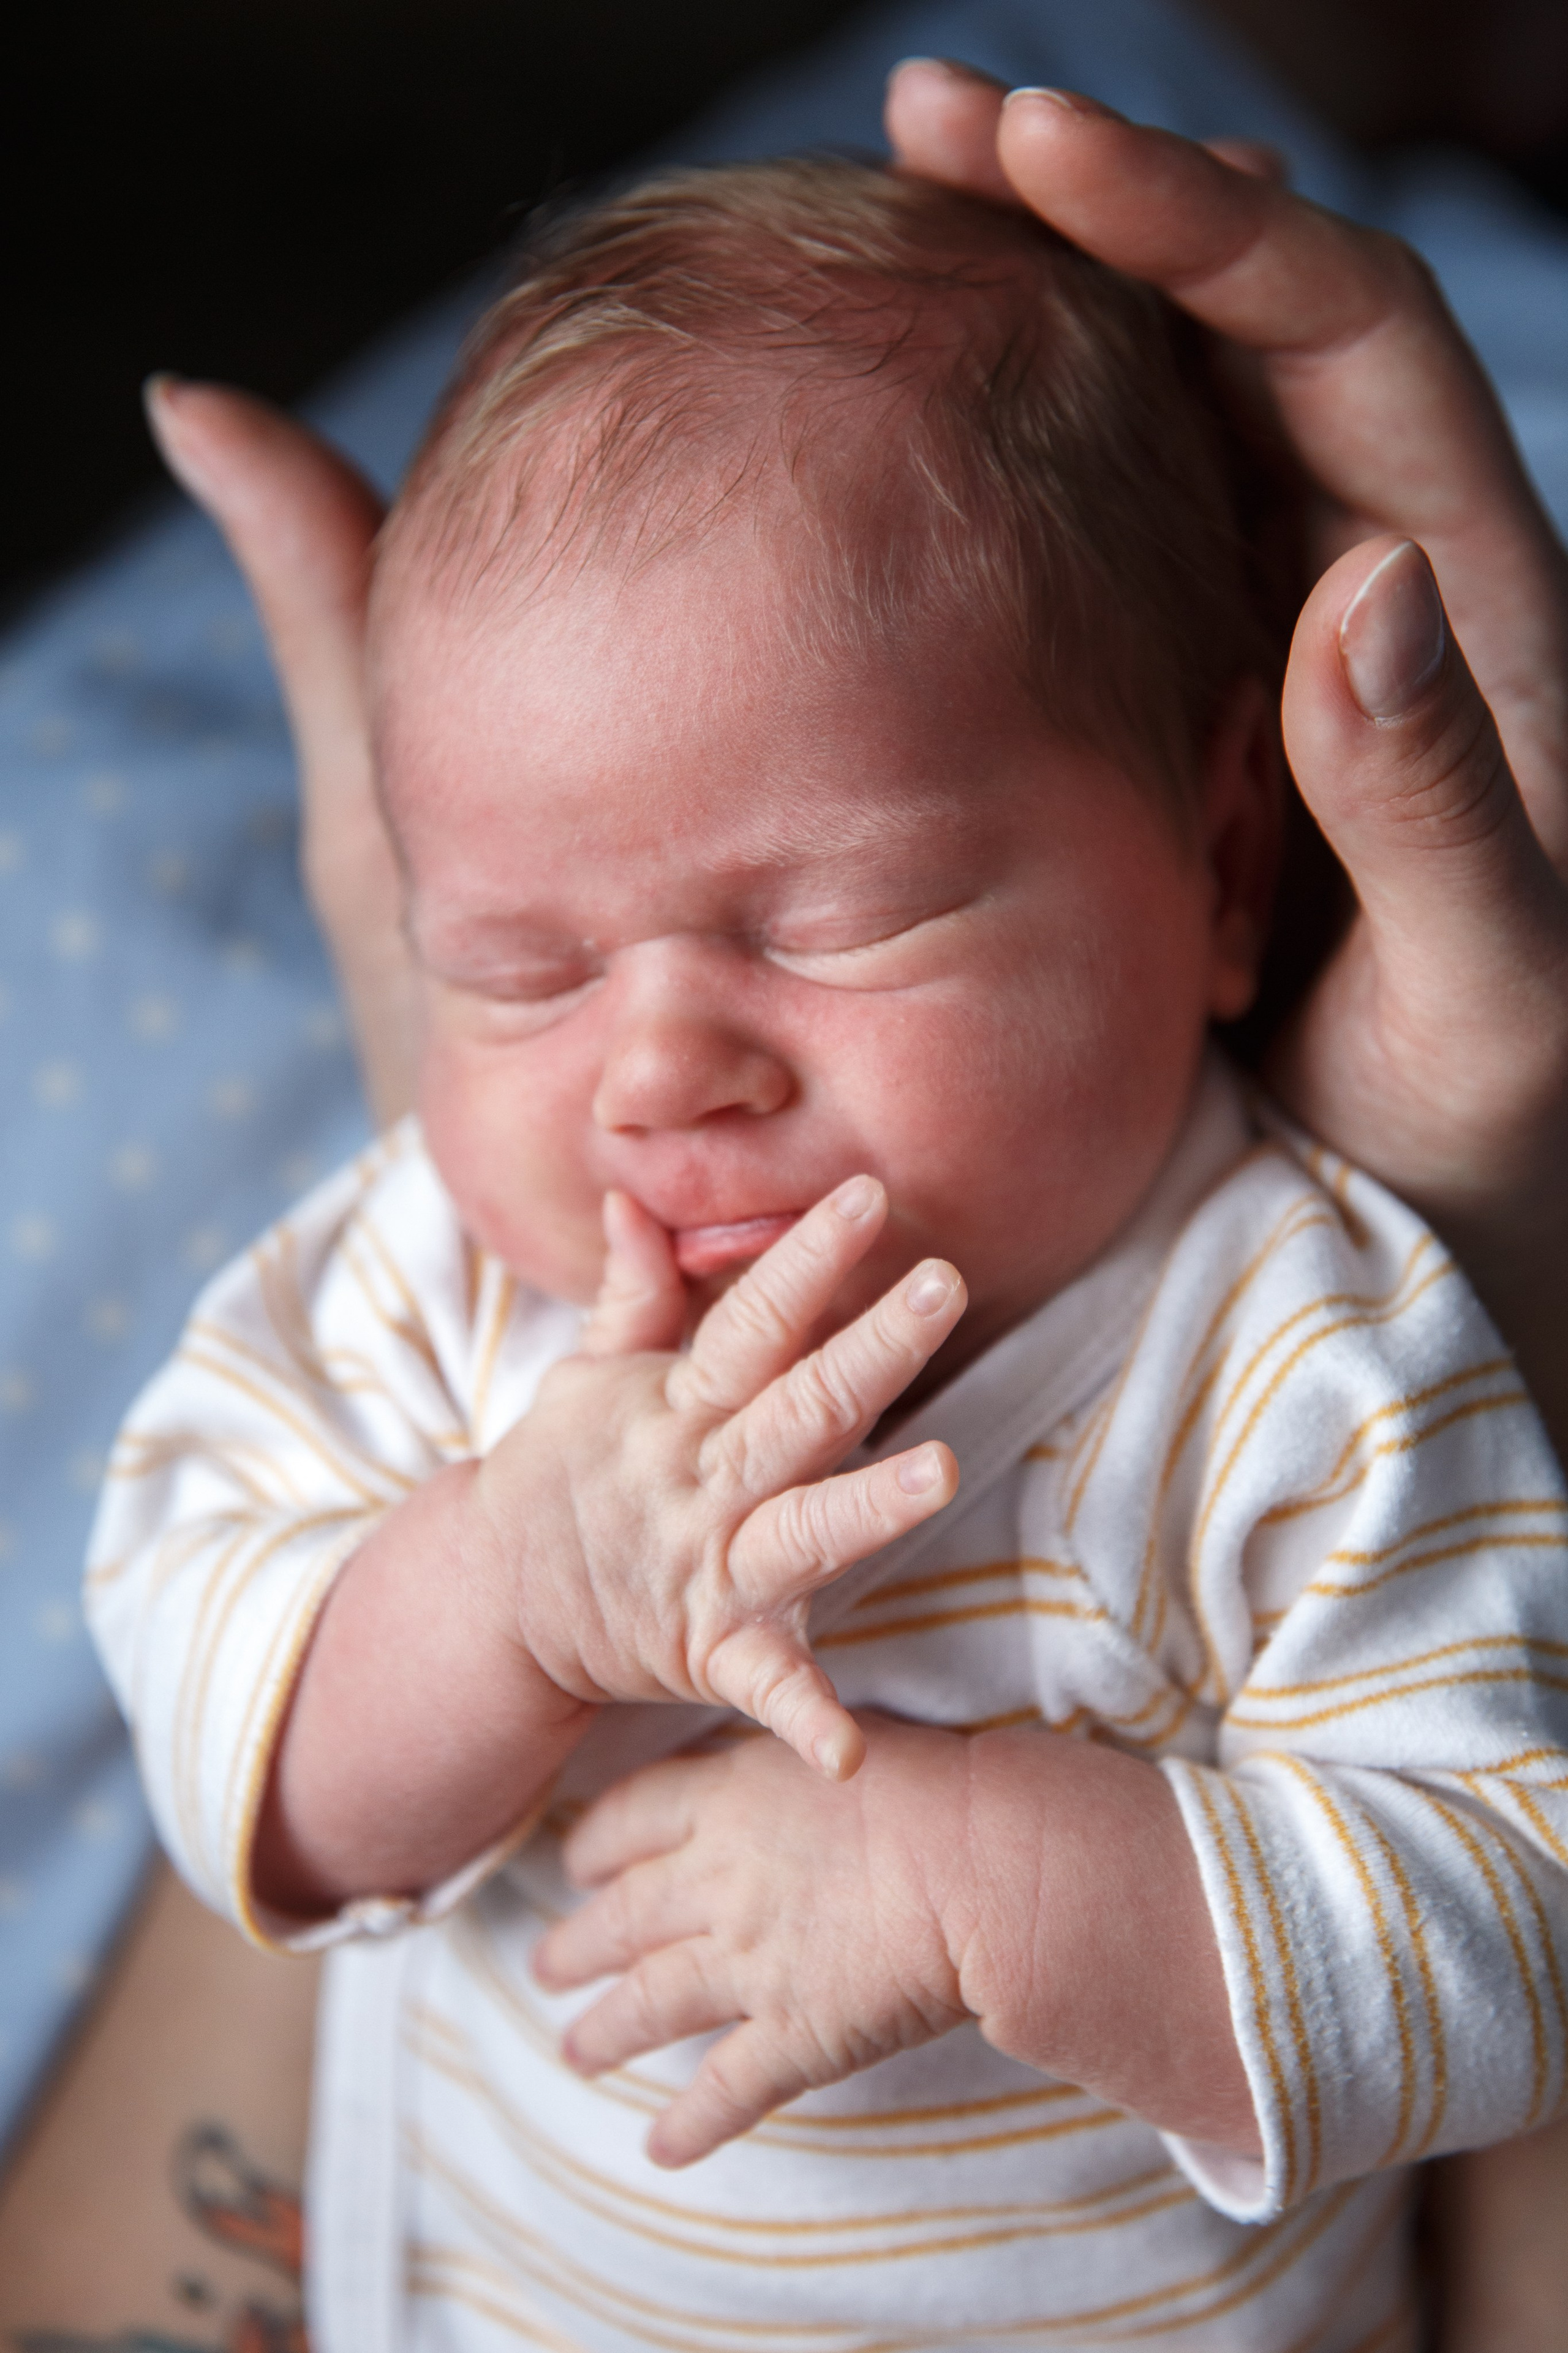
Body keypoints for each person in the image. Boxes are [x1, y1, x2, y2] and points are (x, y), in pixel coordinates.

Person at [87, 136, 1568, 2351]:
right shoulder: (443, 1278)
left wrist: (990, 1882)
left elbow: (1515, 1915)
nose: (659, 1073)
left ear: (1227, 867)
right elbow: (215, 1694)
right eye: (509, 966)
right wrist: (503, 1586)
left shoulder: (1296, 1349)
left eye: (838, 920)